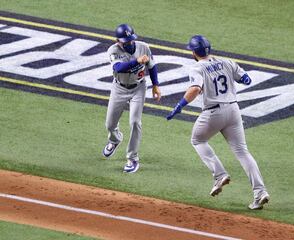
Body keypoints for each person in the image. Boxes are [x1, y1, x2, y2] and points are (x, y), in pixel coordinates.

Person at [166, 35, 269, 210]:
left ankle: (219, 174)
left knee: (197, 140)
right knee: (243, 152)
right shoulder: (227, 62)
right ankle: (260, 192)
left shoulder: (197, 68)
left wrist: (180, 105)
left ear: (193, 52)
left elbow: (195, 89)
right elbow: (246, 79)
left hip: (213, 113)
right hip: (234, 111)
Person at [103, 24, 161, 173]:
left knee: (135, 122)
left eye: (130, 40)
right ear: (118, 41)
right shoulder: (113, 50)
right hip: (119, 88)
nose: (129, 43)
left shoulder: (143, 47)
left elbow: (152, 66)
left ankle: (132, 158)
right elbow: (118, 68)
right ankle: (115, 139)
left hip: (138, 88)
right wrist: (137, 61)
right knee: (110, 124)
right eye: (125, 41)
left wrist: (156, 85)